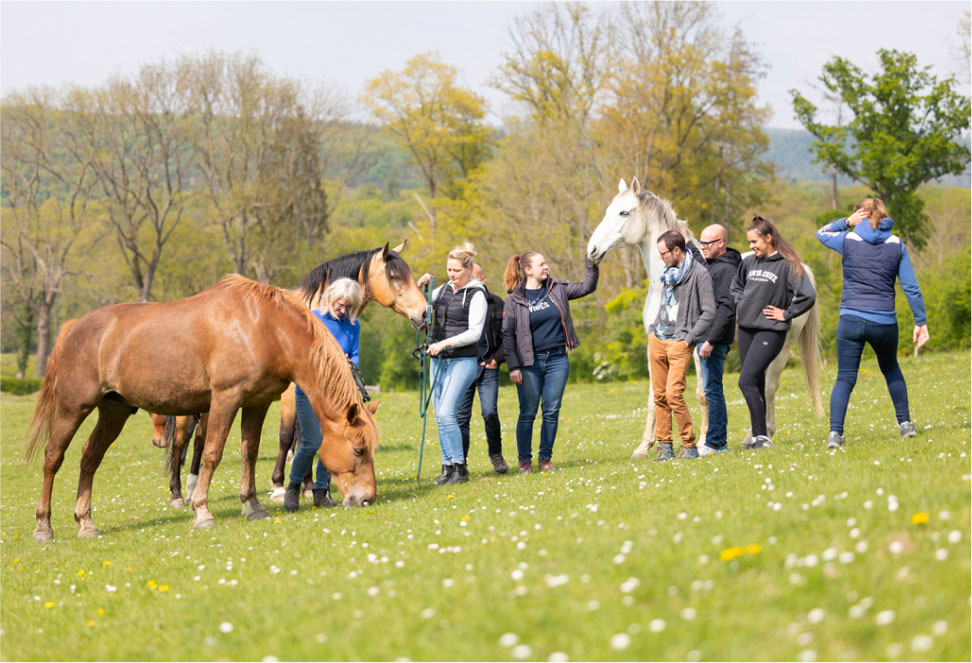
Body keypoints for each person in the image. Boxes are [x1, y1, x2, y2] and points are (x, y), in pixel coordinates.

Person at [816, 198, 929, 448]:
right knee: (891, 370)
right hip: (884, 321)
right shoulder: (896, 244)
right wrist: (920, 321)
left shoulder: (848, 239)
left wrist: (845, 222)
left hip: (850, 319)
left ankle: (835, 434)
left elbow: (821, 234)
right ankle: (905, 425)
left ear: (859, 214)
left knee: (845, 378)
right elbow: (911, 287)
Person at [502, 251, 598, 473]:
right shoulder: (515, 299)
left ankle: (545, 460)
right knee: (528, 412)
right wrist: (514, 366)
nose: (546, 267)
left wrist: (591, 263)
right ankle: (524, 462)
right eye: (541, 264)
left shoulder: (558, 289)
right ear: (528, 270)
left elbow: (587, 287)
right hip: (529, 363)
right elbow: (507, 335)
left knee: (551, 410)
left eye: (546, 263)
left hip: (557, 359)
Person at [730, 216, 816, 450]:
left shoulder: (789, 264)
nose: (751, 246)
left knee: (745, 380)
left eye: (754, 241)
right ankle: (760, 436)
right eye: (749, 242)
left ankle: (763, 437)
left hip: (771, 330)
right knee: (755, 382)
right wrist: (744, 301)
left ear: (769, 237)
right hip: (747, 328)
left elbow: (807, 296)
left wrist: (786, 314)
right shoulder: (749, 262)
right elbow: (735, 286)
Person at [285, 278, 364, 511]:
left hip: (337, 394)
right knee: (311, 443)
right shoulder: (313, 319)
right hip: (310, 391)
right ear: (330, 298)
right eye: (340, 305)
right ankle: (293, 487)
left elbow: (356, 354)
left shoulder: (354, 324)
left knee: (333, 442)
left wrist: (349, 363)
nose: (344, 310)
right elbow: (301, 355)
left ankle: (321, 490)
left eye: (349, 306)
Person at [416, 243, 487, 485]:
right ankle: (447, 468)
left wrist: (445, 343)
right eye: (448, 270)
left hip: (463, 360)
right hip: (438, 361)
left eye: (456, 270)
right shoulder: (442, 291)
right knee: (439, 416)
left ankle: (460, 467)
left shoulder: (477, 294)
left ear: (469, 269)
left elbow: (475, 332)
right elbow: (419, 311)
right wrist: (419, 287)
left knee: (447, 413)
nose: (451, 275)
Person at [646, 230, 715, 462]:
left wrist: (690, 337)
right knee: (659, 397)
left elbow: (709, 312)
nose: (660, 258)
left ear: (677, 250)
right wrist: (652, 329)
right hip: (658, 339)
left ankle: (690, 446)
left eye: (663, 253)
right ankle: (665, 447)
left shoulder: (700, 274)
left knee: (674, 394)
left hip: (679, 342)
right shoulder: (668, 272)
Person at [455, 263, 509, 474]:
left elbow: (508, 336)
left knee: (489, 412)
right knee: (461, 418)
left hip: (488, 367)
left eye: (474, 278)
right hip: (464, 367)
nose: (471, 282)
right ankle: (461, 463)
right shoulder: (458, 303)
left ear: (483, 278)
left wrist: (497, 358)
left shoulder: (497, 303)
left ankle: (496, 454)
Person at [694, 224, 742, 456]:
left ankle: (716, 443)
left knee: (713, 391)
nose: (703, 247)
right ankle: (715, 441)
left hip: (713, 340)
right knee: (711, 389)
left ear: (721, 243)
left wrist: (710, 341)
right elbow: (700, 262)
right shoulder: (712, 263)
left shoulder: (726, 270)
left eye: (708, 244)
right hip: (705, 338)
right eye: (701, 243)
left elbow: (726, 308)